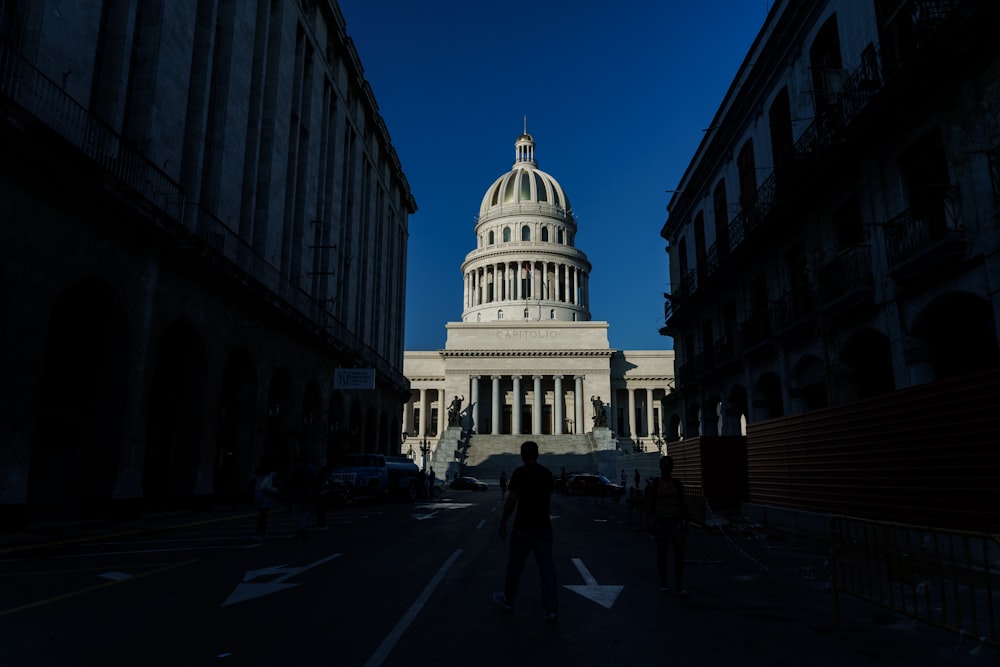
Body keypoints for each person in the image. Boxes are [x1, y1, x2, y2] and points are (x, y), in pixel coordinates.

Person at [493, 441, 558, 623]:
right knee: (547, 568)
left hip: (523, 526)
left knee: (515, 567)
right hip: (544, 526)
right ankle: (551, 608)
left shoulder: (519, 473)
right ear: (537, 454)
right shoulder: (546, 474)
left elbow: (512, 500)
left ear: (522, 455)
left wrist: (503, 521)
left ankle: (508, 600)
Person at [647, 456, 688, 596]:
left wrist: (686, 521)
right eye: (664, 465)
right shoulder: (656, 484)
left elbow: (683, 502)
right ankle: (663, 583)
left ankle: (678, 585)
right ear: (660, 467)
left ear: (672, 467)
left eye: (669, 465)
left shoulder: (677, 484)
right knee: (662, 553)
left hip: (676, 519)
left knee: (680, 553)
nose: (667, 468)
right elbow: (651, 503)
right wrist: (651, 520)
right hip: (661, 519)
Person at [252, 463, 279, 540]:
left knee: (262, 515)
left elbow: (254, 483)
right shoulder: (269, 474)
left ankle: (262, 533)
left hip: (257, 493)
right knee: (263, 516)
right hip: (265, 493)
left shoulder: (257, 474)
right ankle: (258, 534)